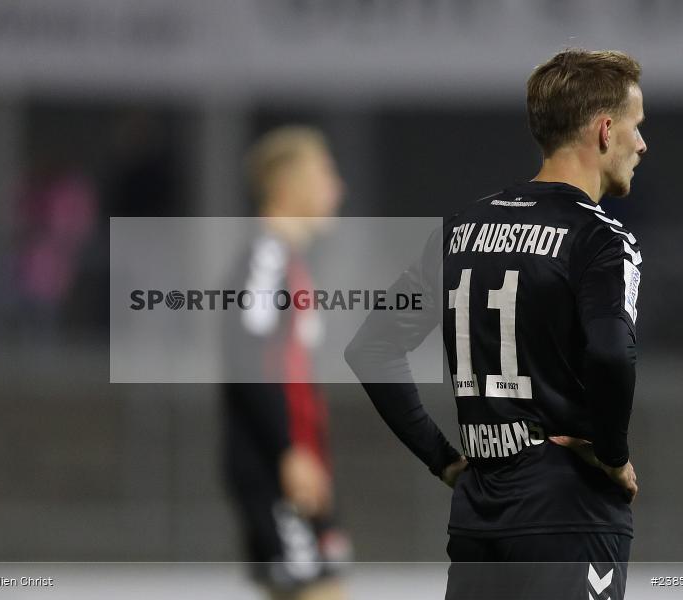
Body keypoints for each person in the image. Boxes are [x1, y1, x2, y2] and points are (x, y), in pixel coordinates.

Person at [345, 48, 646, 599]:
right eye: (636, 126)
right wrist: (613, 455)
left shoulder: (460, 231)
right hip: (570, 516)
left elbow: (371, 347)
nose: (642, 145)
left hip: (480, 517)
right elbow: (611, 353)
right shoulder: (602, 240)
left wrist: (443, 460)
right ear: (605, 131)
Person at [221, 126, 350, 600]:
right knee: (318, 590)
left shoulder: (289, 261)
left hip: (297, 463)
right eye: (324, 172)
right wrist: (287, 451)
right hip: (276, 465)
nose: (338, 187)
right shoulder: (265, 258)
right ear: (285, 185)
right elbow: (246, 357)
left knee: (324, 587)